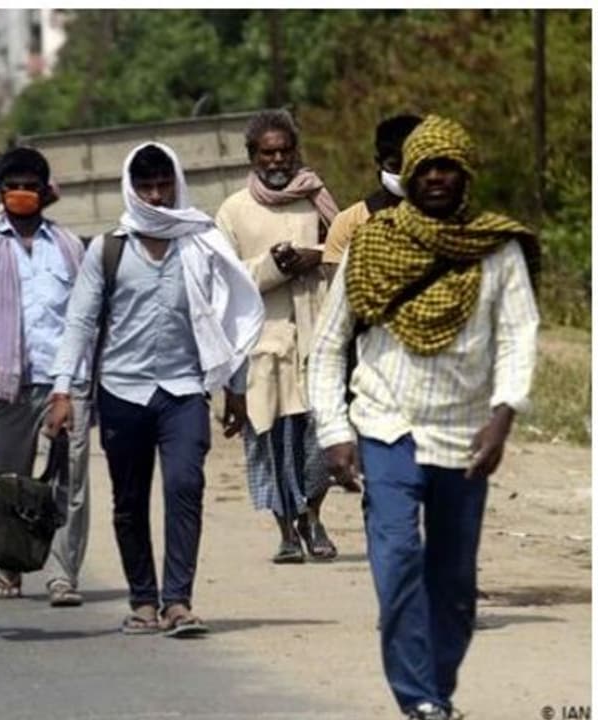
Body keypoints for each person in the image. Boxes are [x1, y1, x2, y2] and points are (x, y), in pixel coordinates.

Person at [308, 115, 540, 720]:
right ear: (408, 174)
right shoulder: (372, 243)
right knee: (397, 559)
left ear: (465, 175)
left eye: (448, 167)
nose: (436, 176)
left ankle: (433, 689)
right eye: (426, 167)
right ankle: (420, 701)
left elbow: (518, 338)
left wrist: (503, 417)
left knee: (455, 585)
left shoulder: (497, 248)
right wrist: (335, 431)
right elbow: (331, 345)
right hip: (387, 428)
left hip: (465, 438)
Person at [45, 142, 263, 637]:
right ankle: (144, 599)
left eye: (164, 184)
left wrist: (237, 386)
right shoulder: (109, 249)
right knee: (129, 498)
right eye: (146, 186)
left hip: (184, 390)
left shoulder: (201, 243)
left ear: (176, 184)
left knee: (185, 486)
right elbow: (79, 323)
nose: (157, 195)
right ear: (131, 188)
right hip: (123, 392)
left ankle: (179, 601)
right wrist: (62, 391)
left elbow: (229, 318)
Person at [0, 147, 91, 606]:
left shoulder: (71, 248)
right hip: (3, 387)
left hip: (62, 384)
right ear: (0, 191)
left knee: (68, 482)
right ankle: (10, 564)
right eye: (14, 186)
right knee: (9, 482)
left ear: (45, 192)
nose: (22, 194)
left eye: (32, 187)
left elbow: (83, 318)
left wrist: (69, 385)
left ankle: (61, 575)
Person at [213, 109, 344, 564]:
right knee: (269, 442)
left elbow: (348, 253)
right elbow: (224, 282)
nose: (278, 160)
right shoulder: (232, 211)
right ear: (252, 156)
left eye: (285, 151)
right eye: (268, 152)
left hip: (315, 336)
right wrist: (273, 267)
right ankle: (286, 531)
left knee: (316, 441)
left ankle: (314, 517)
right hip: (262, 345)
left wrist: (316, 257)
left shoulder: (317, 199)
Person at [323, 114, 424, 267]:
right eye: (396, 166)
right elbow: (336, 285)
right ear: (379, 163)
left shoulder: (445, 220)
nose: (404, 175)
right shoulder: (349, 222)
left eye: (412, 166)